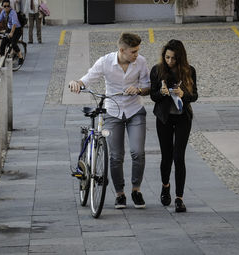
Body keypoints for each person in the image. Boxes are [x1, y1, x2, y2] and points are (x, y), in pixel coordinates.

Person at [69, 32, 150, 209]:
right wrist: (77, 83)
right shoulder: (105, 62)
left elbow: (147, 86)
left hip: (135, 110)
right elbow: (88, 78)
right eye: (133, 52)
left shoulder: (141, 62)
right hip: (112, 112)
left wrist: (138, 89)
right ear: (122, 50)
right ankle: (120, 194)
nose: (136, 55)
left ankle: (136, 190)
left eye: (137, 51)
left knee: (138, 152)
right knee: (115, 156)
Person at [150, 39, 198, 212]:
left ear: (180, 58)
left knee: (179, 157)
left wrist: (183, 94)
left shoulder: (189, 71)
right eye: (167, 57)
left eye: (173, 58)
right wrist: (162, 93)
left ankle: (179, 198)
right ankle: (165, 186)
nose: (170, 61)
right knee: (166, 157)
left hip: (182, 118)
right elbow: (153, 97)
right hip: (164, 118)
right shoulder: (157, 70)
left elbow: (194, 96)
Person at [0, 0, 24, 65]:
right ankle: (2, 60)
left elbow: (14, 24)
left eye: (8, 6)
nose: (6, 7)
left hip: (17, 29)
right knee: (3, 43)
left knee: (13, 43)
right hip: (9, 28)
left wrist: (11, 33)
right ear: (2, 6)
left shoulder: (13, 13)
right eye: (5, 6)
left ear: (10, 6)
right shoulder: (3, 12)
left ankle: (20, 57)